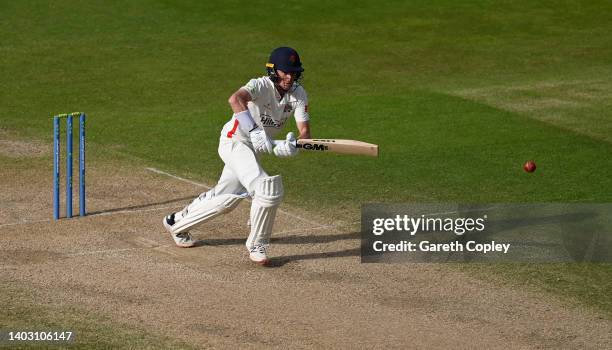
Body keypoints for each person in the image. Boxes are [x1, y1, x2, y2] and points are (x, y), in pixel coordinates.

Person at [163, 47, 310, 265]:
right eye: (285, 72)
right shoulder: (260, 85)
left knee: (226, 199)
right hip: (235, 142)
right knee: (267, 189)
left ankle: (176, 223)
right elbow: (235, 99)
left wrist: (292, 145)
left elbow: (305, 133)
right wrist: (254, 130)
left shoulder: (298, 94)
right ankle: (257, 244)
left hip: (255, 149)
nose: (289, 77)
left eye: (294, 72)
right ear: (272, 70)